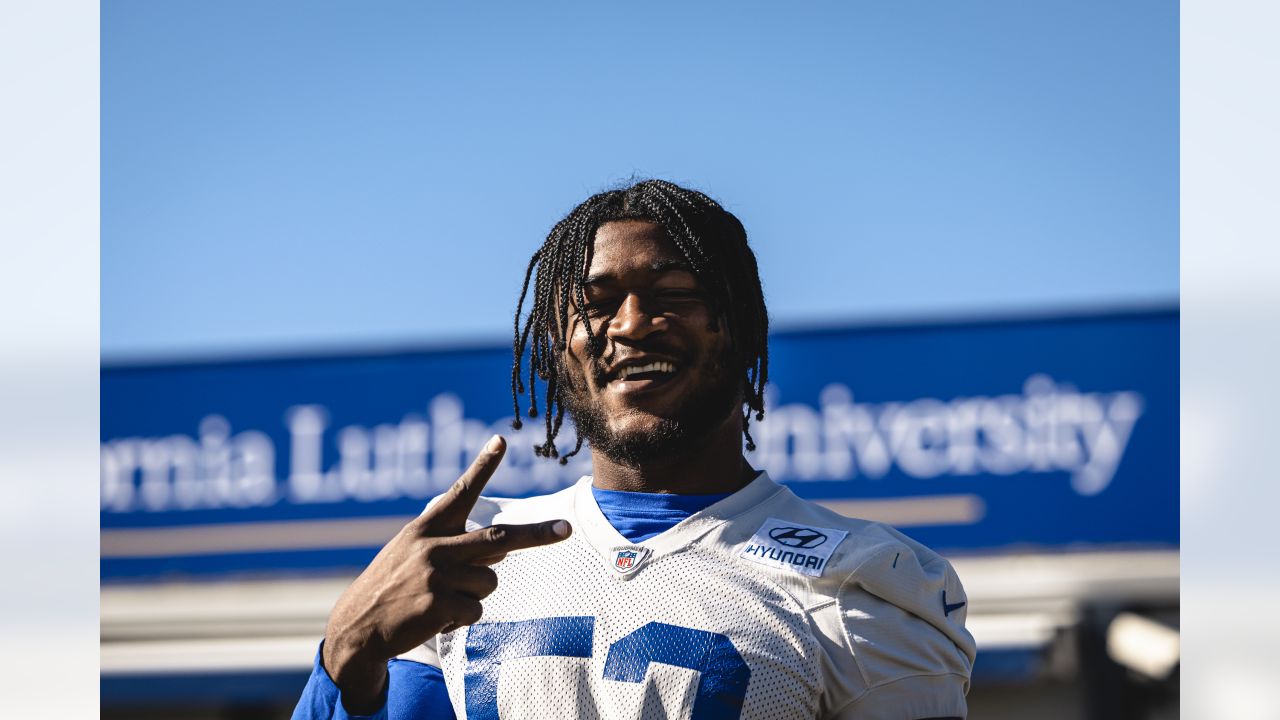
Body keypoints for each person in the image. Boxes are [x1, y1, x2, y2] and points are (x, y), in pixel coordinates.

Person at [292, 179, 976, 719]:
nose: (632, 325)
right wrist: (348, 650)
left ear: (738, 327)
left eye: (673, 293)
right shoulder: (471, 557)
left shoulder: (864, 576)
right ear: (558, 347)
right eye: (595, 303)